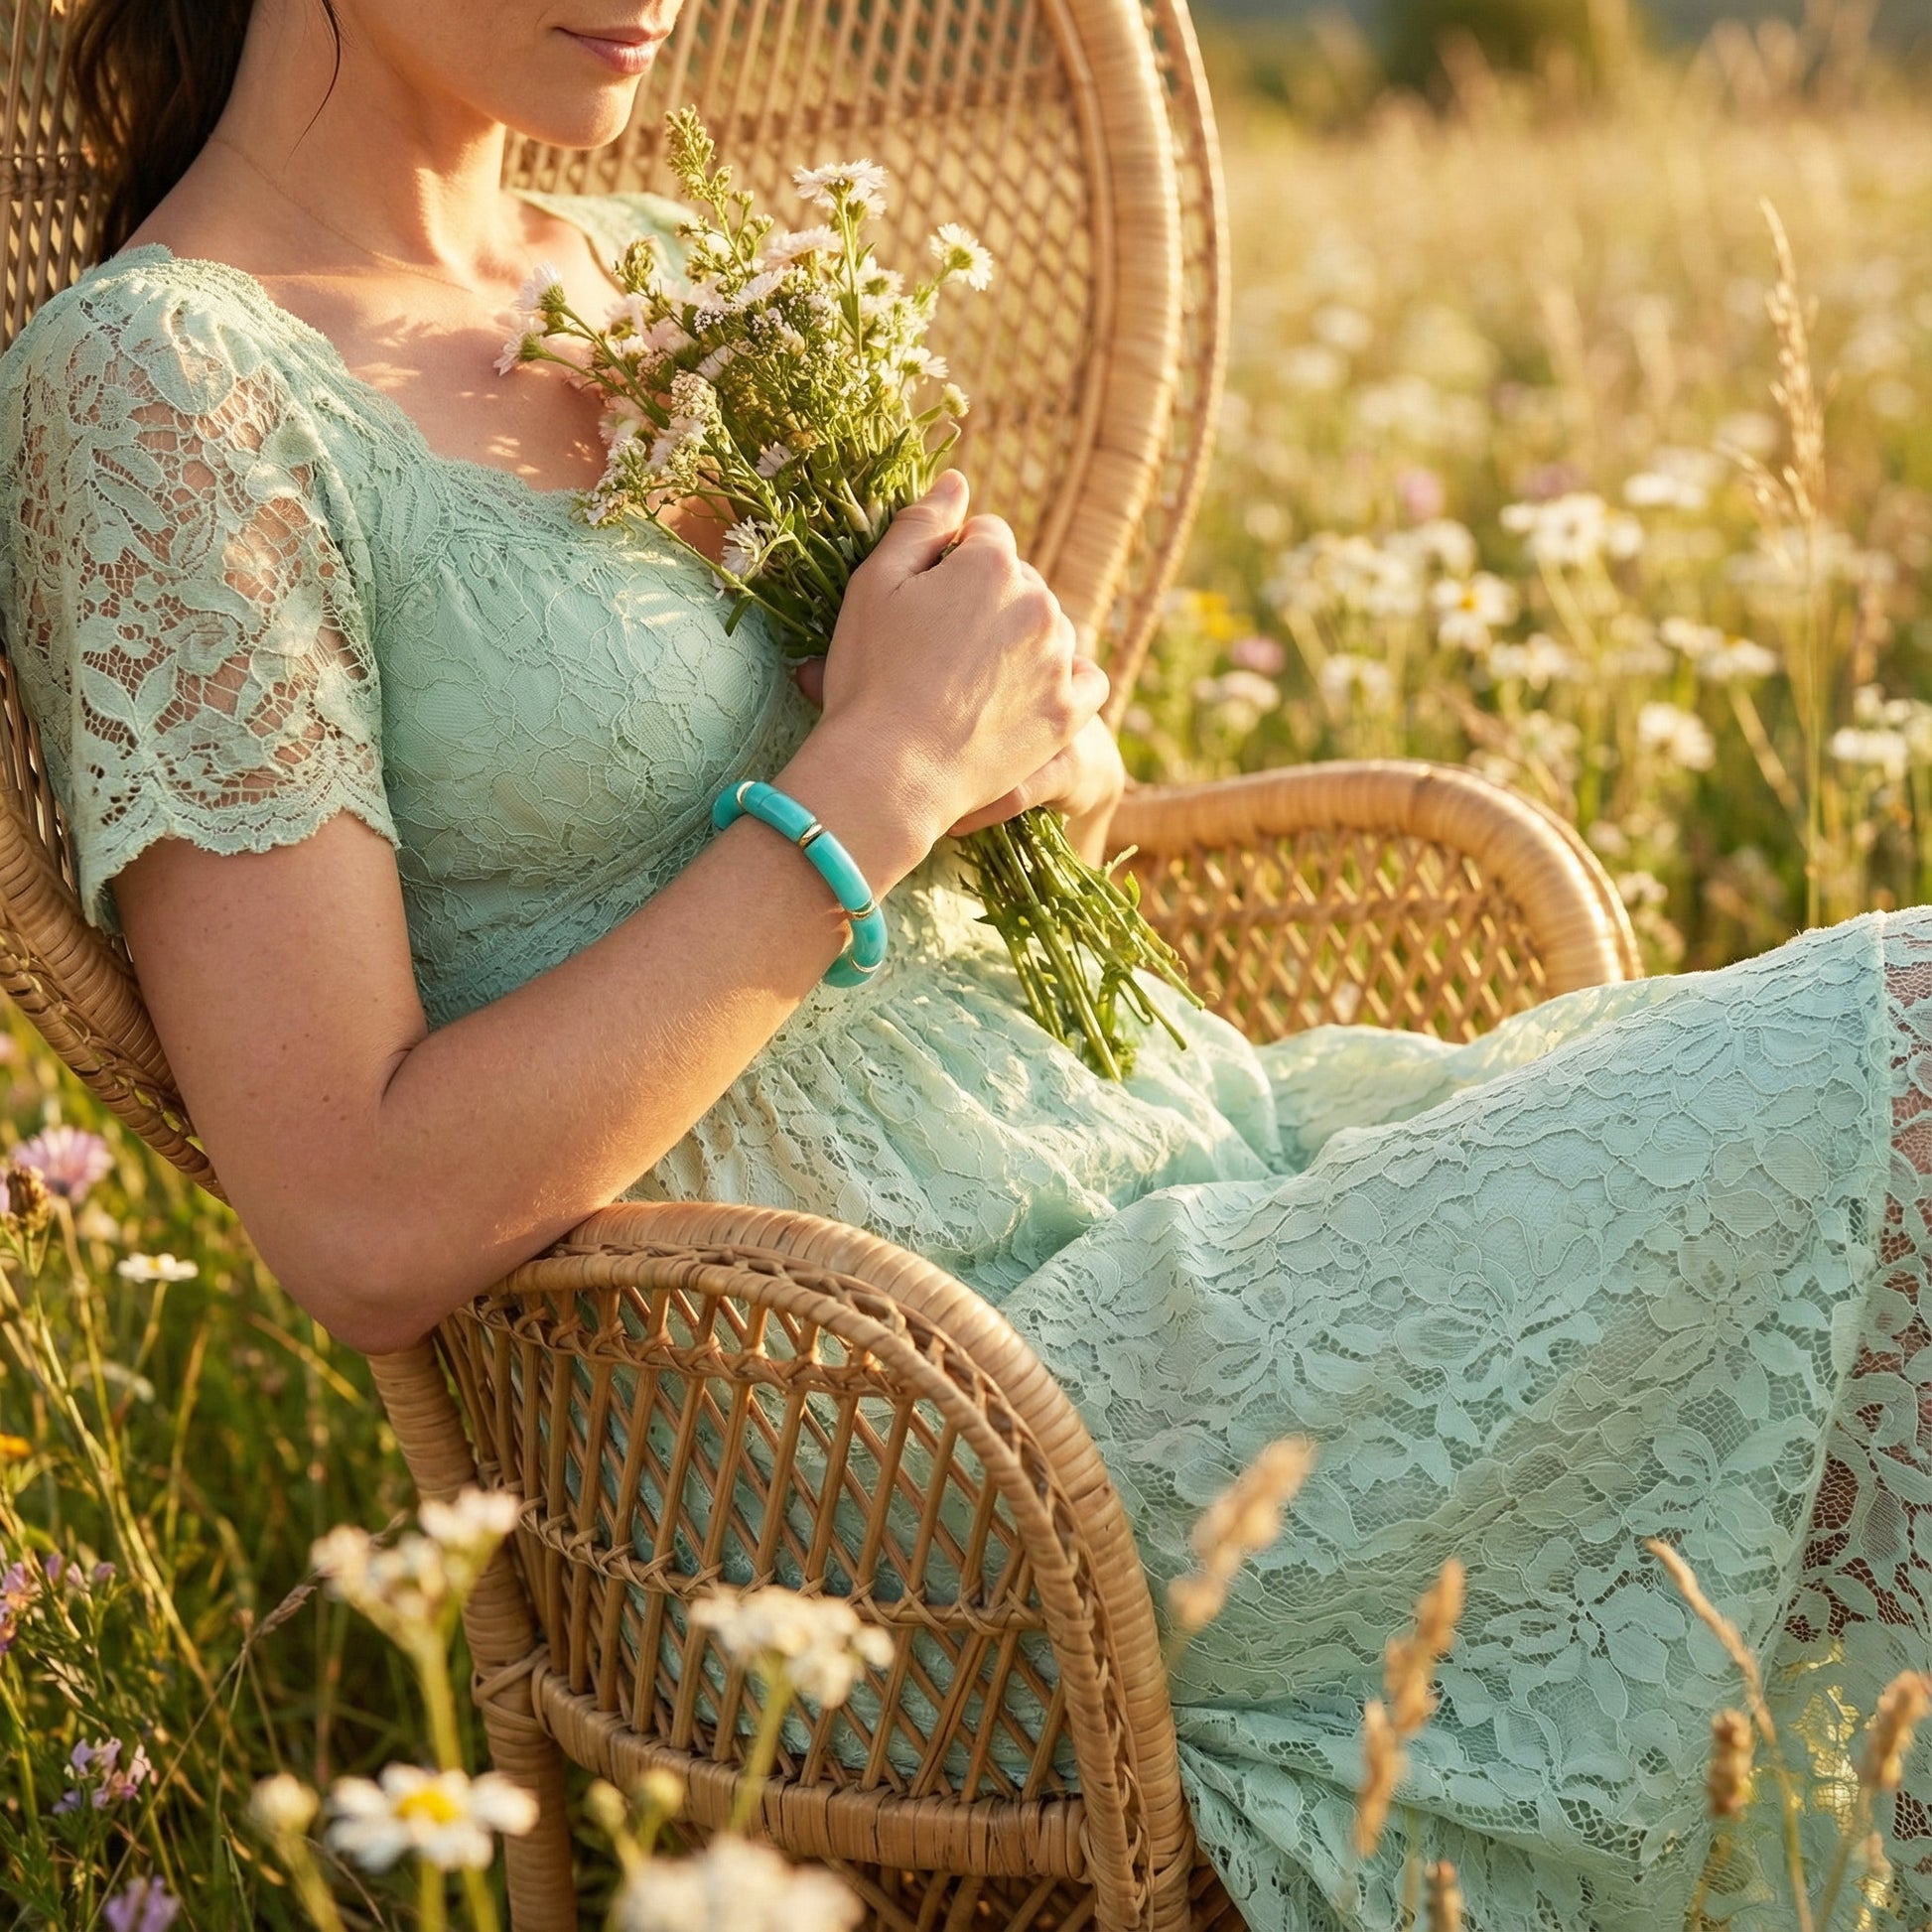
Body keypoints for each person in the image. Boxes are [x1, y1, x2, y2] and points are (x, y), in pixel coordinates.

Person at [0, 3, 1925, 1926]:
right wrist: (879, 780)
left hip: (1200, 1182)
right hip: (889, 1415)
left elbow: (1008, 809)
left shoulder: (674, 273)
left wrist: (1024, 735)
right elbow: (353, 1209)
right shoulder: (165, 385)